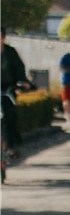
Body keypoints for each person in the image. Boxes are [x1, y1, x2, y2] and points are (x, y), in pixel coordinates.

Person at [2, 28, 34, 159]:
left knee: (9, 116)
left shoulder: (10, 52)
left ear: (3, 38)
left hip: (7, 88)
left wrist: (23, 82)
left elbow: (19, 69)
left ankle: (10, 147)